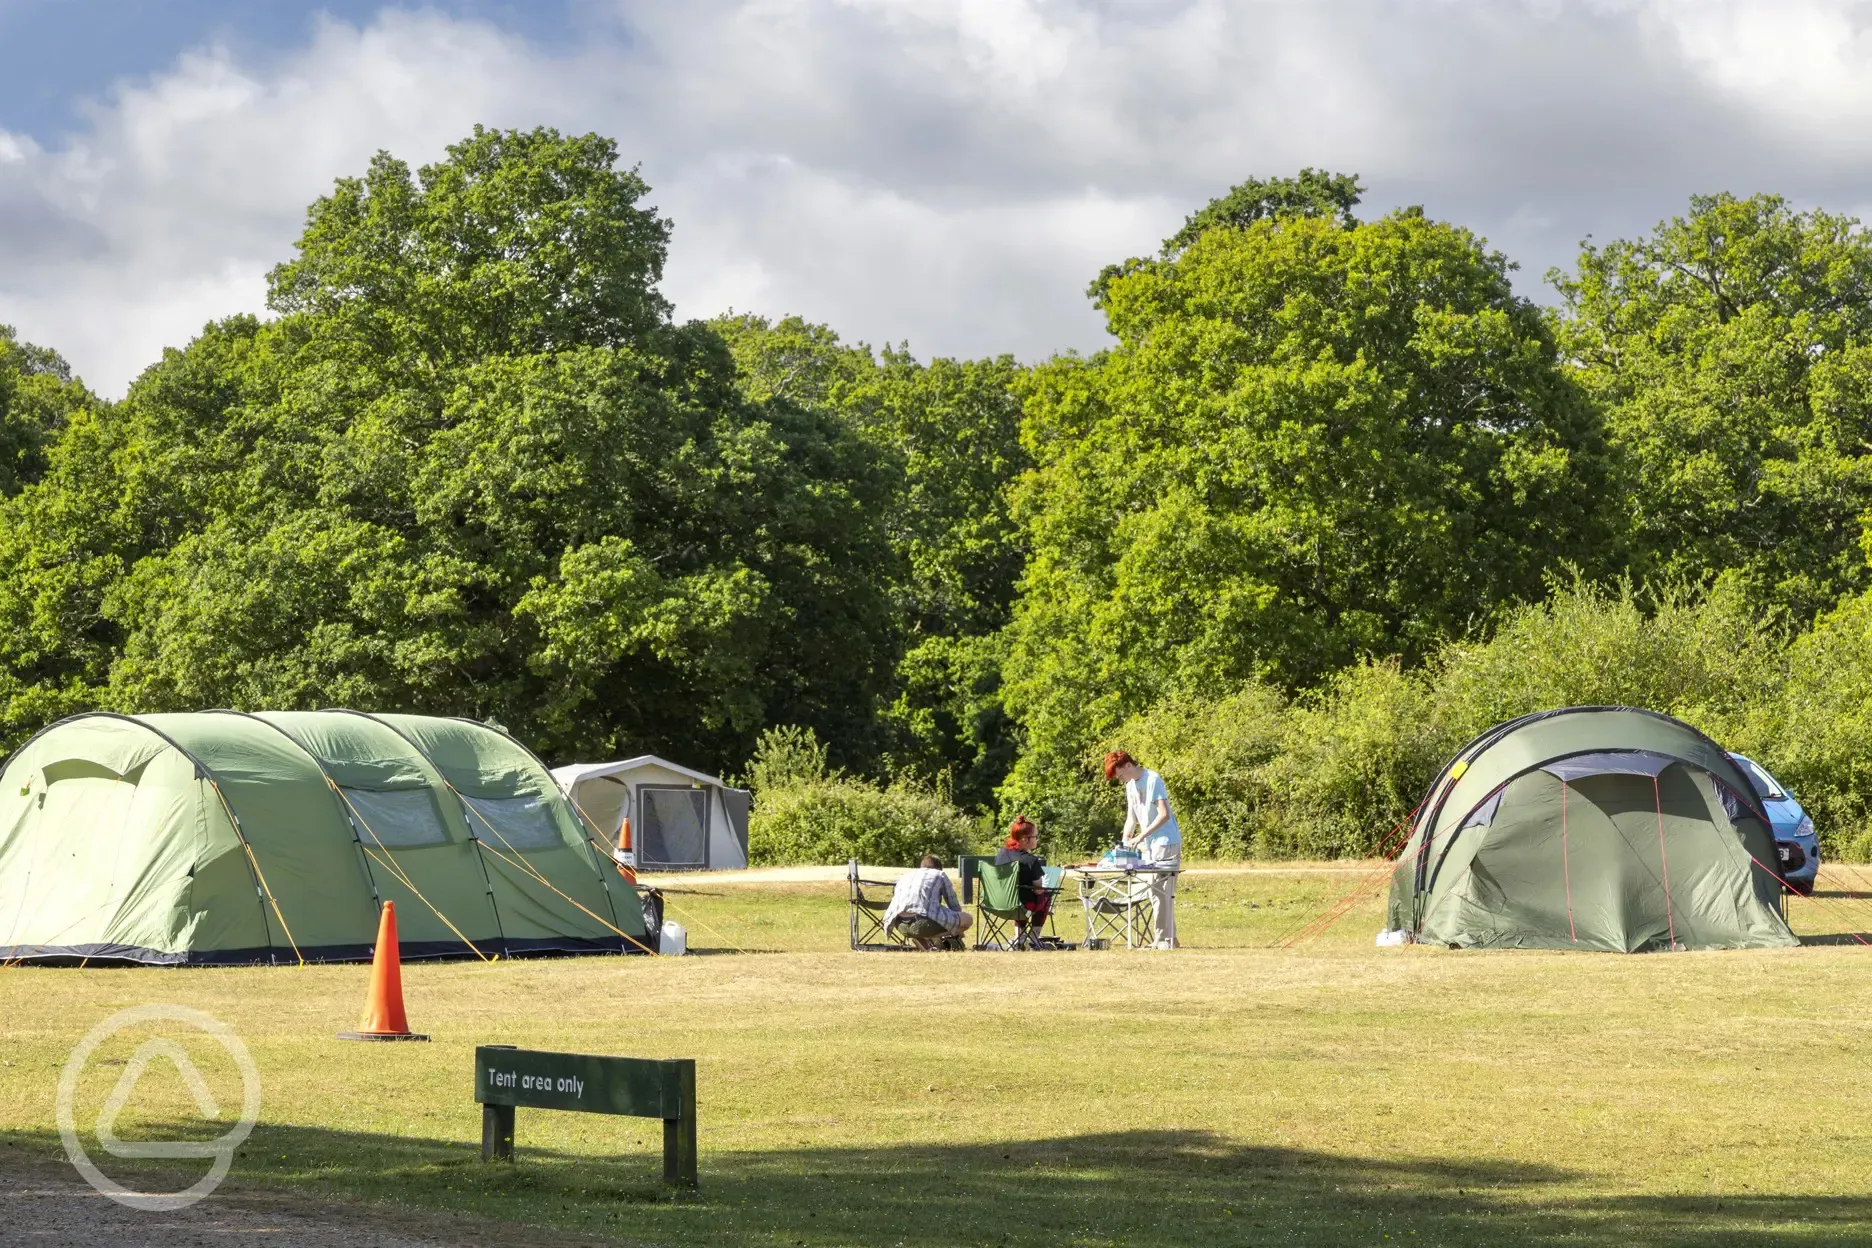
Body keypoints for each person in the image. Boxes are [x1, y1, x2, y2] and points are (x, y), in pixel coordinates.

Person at [1105, 749, 1181, 949]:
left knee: (1161, 891)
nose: (1121, 780)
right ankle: (1169, 938)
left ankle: (1162, 939)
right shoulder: (1130, 785)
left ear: (1128, 765)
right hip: (1149, 845)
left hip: (1166, 841)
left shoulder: (1153, 779)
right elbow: (1132, 817)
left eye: (1121, 775)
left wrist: (1141, 836)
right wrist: (1125, 840)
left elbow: (1163, 814)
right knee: (1155, 891)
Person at [882, 854, 973, 949]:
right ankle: (926, 937)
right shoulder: (939, 874)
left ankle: (922, 941)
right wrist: (958, 929)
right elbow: (954, 905)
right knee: (967, 919)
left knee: (933, 914)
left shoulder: (905, 875)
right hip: (923, 924)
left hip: (900, 925)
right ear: (938, 868)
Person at [993, 816, 1053, 947]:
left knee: (1020, 896)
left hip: (996, 903)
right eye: (1035, 837)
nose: (1037, 839)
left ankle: (1018, 937)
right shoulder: (1031, 861)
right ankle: (1034, 938)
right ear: (1025, 839)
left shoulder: (1001, 854)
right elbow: (1038, 889)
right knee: (1045, 895)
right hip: (1020, 906)